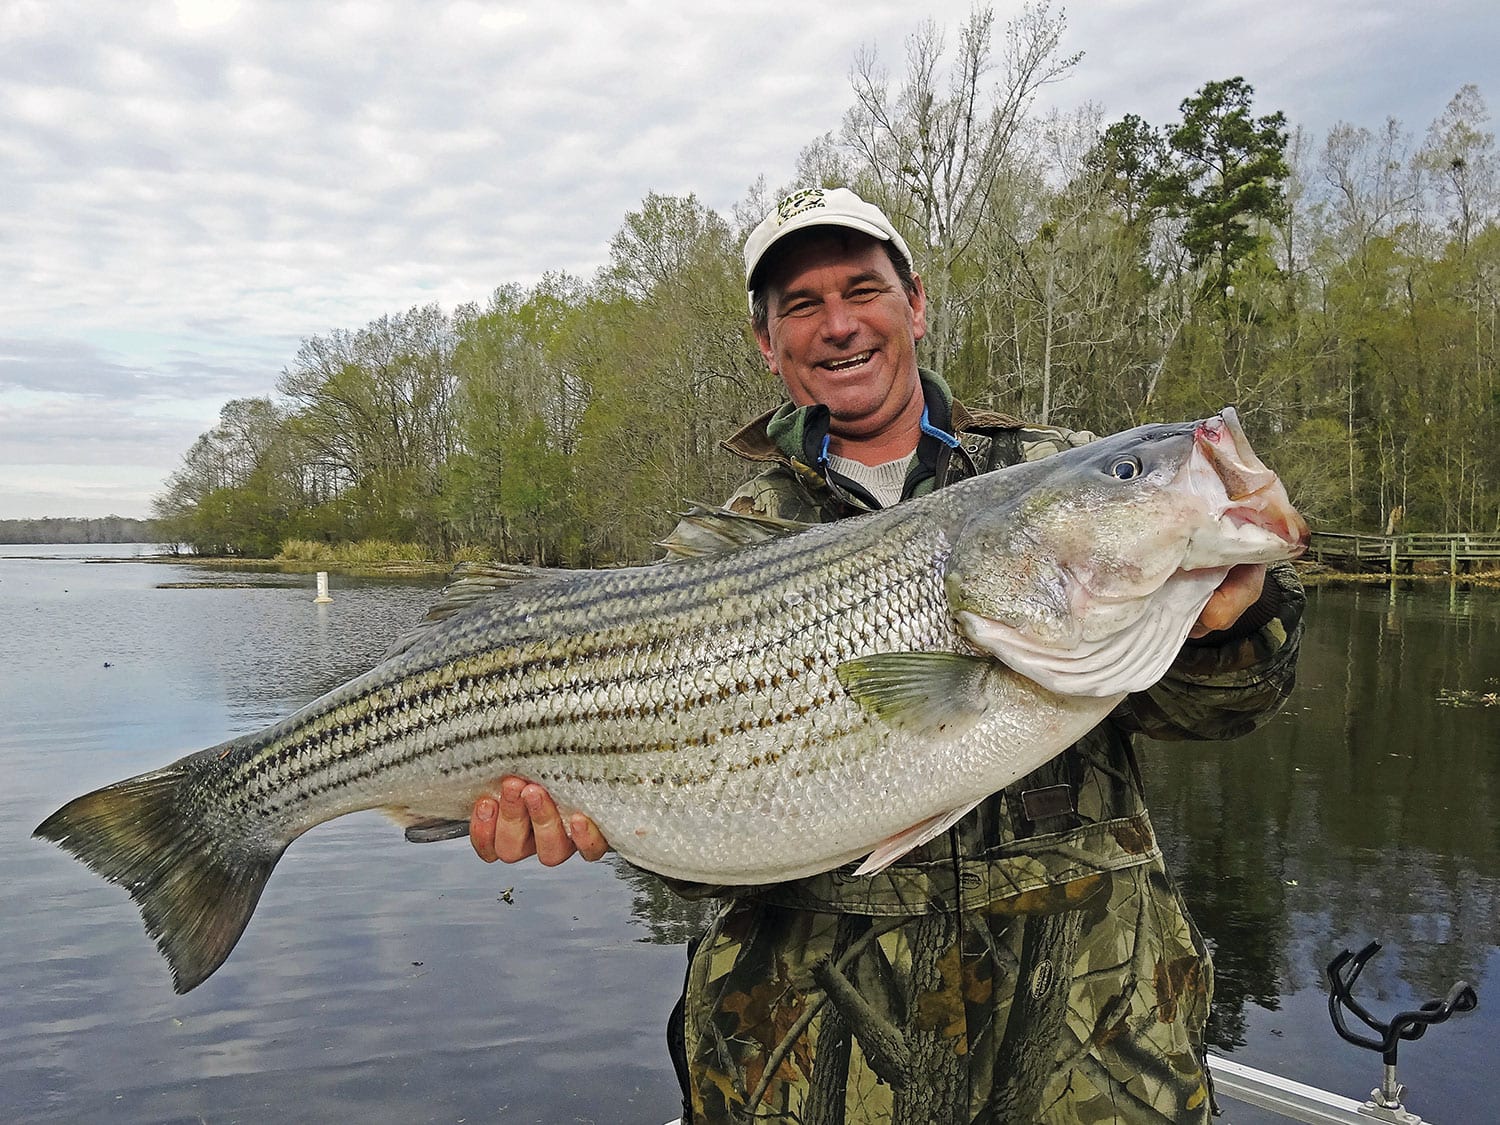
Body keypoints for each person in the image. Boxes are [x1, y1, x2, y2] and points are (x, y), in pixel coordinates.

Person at [470, 187, 1305, 1124]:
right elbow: (704, 847)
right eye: (800, 305)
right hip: (806, 1062)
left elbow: (1230, 706)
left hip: (1091, 1043)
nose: (837, 325)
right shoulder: (726, 544)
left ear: (915, 301)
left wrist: (1237, 614)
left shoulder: (1045, 467)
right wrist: (597, 817)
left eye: (862, 289)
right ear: (767, 344)